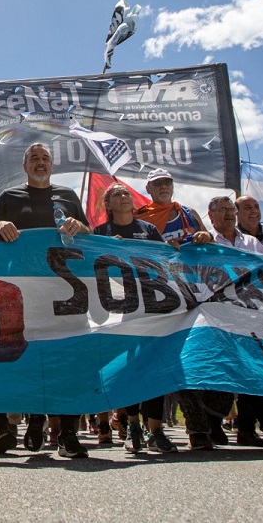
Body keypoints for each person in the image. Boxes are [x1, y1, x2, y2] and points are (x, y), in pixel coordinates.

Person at [0, 143, 91, 459]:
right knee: (18, 357)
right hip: (21, 292)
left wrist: (79, 226)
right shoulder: (9, 197)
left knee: (67, 360)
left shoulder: (69, 196)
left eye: (45, 158)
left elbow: (90, 234)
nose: (40, 162)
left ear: (52, 165)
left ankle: (68, 434)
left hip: (64, 292)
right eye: (34, 158)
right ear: (24, 165)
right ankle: (18, 423)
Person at [93, 183, 179, 455]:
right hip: (118, 310)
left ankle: (156, 429)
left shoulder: (148, 230)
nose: (123, 196)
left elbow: (163, 260)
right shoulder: (100, 233)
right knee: (129, 368)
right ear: (107, 205)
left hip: (150, 306)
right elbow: (91, 265)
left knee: (153, 365)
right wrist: (107, 249)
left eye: (126, 193)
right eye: (116, 194)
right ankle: (132, 425)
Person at [203, 196, 263, 451]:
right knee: (222, 373)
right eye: (223, 210)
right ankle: (213, 425)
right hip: (218, 316)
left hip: (250, 315)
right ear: (211, 215)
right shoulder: (206, 241)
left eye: (231, 210)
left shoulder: (251, 242)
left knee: (255, 370)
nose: (229, 214)